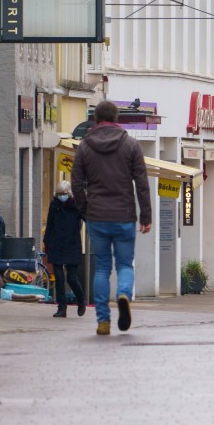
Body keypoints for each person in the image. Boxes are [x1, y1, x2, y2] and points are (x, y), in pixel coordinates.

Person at [71, 100, 152, 336]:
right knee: (125, 264)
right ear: (117, 118)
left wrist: (84, 209)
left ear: (96, 118)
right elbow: (142, 183)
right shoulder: (131, 145)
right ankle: (124, 293)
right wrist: (145, 215)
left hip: (97, 216)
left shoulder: (85, 146)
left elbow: (76, 183)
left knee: (102, 269)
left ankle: (103, 321)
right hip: (124, 215)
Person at [43, 180, 87, 318]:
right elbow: (49, 224)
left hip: (72, 245)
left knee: (72, 278)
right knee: (59, 278)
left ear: (69, 193)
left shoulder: (77, 205)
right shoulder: (54, 204)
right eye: (59, 194)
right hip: (56, 244)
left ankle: (81, 301)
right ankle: (62, 308)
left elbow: (88, 218)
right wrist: (46, 242)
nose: (61, 196)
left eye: (64, 194)